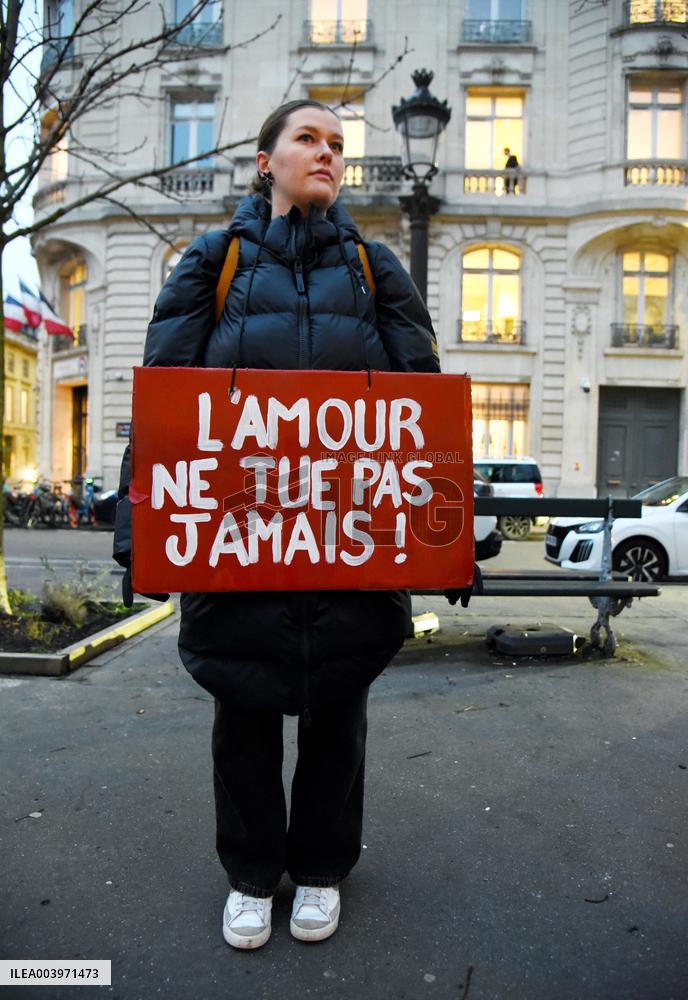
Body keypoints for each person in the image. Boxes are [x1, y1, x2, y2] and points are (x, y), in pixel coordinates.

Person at [113, 98, 440, 950]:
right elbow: (163, 406)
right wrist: (136, 538)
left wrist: (443, 530)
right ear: (267, 160)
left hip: (349, 547)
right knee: (243, 718)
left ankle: (323, 870)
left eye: (338, 144)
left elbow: (423, 413)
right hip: (238, 546)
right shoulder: (212, 263)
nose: (327, 153)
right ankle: (253, 878)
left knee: (340, 719)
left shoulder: (376, 270)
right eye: (308, 139)